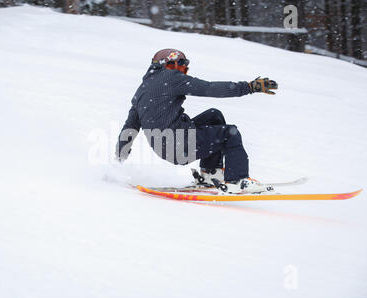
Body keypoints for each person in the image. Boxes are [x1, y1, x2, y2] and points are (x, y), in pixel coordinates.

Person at [115, 48, 278, 193]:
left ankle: (210, 173)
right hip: (180, 143)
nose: (182, 71)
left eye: (184, 67)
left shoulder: (141, 90)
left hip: (167, 147)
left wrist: (119, 159)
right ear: (168, 64)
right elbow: (209, 88)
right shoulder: (171, 77)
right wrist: (248, 87)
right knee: (230, 133)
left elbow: (130, 128)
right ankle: (238, 181)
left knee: (214, 115)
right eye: (179, 65)